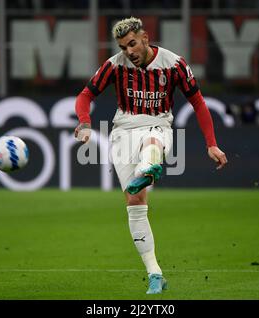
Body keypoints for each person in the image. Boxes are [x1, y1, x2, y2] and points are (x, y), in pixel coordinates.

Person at [74, 17, 227, 294]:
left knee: (153, 140)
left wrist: (212, 144)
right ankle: (155, 273)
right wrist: (84, 123)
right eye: (123, 47)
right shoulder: (114, 65)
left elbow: (198, 103)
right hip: (123, 131)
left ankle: (148, 169)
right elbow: (85, 96)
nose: (129, 51)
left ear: (145, 37)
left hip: (158, 124)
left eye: (132, 43)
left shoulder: (174, 63)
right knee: (134, 202)